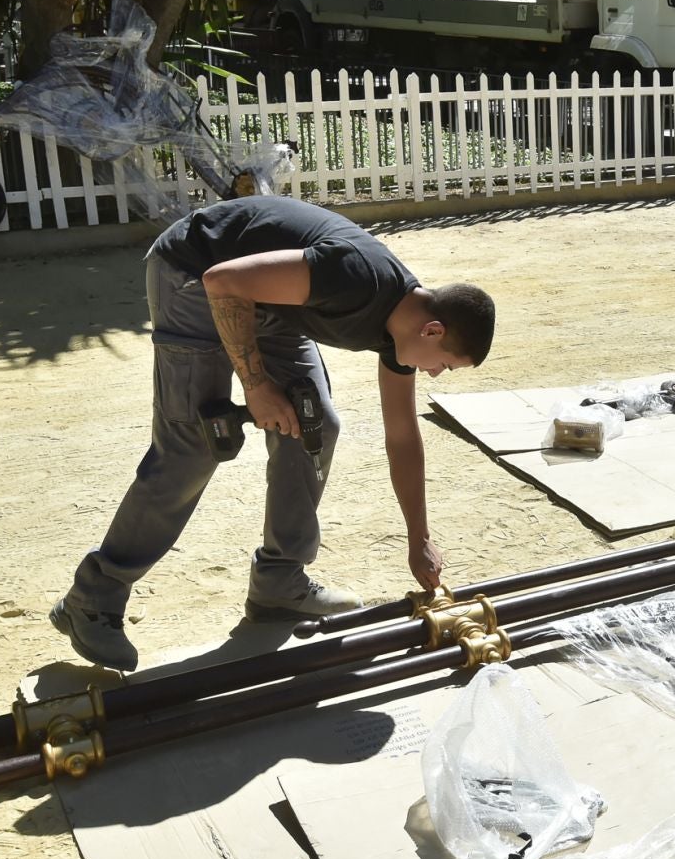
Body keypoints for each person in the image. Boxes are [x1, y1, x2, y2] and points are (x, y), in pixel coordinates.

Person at [51, 196, 496, 671]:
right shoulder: (354, 276)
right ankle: (93, 597)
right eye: (445, 364)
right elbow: (222, 282)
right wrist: (256, 385)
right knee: (194, 444)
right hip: (193, 271)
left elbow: (403, 437)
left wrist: (418, 537)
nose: (436, 373)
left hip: (266, 299)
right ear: (432, 331)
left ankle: (278, 583)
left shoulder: (400, 333)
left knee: (314, 424)